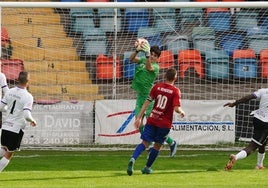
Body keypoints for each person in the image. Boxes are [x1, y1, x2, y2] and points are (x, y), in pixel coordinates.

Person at [127, 68, 185, 175]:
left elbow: (146, 102)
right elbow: (176, 108)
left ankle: (133, 159)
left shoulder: (157, 86)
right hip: (164, 124)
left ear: (165, 76)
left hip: (152, 119)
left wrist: (139, 117)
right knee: (157, 146)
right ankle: (146, 167)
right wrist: (181, 112)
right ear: (175, 78)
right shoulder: (175, 91)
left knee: (144, 143)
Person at [130, 39, 178, 157]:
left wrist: (146, 55)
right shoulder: (142, 59)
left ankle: (171, 142)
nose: (152, 56)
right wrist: (137, 50)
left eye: (154, 56)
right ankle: (150, 144)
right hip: (140, 97)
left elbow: (148, 67)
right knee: (139, 123)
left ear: (158, 58)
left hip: (150, 98)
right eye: (151, 54)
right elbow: (131, 59)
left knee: (156, 126)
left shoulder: (156, 67)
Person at [0, 71, 37, 172]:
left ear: (17, 79)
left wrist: (9, 109)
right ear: (28, 81)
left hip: (6, 126)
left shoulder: (9, 91)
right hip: (16, 129)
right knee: (8, 154)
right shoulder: (28, 96)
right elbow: (26, 114)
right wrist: (32, 120)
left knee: (4, 149)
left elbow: (1, 107)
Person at [224, 88, 268, 171]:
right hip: (266, 123)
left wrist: (234, 103)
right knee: (253, 146)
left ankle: (259, 165)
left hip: (257, 119)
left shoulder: (263, 91)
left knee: (262, 142)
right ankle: (235, 157)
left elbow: (247, 98)